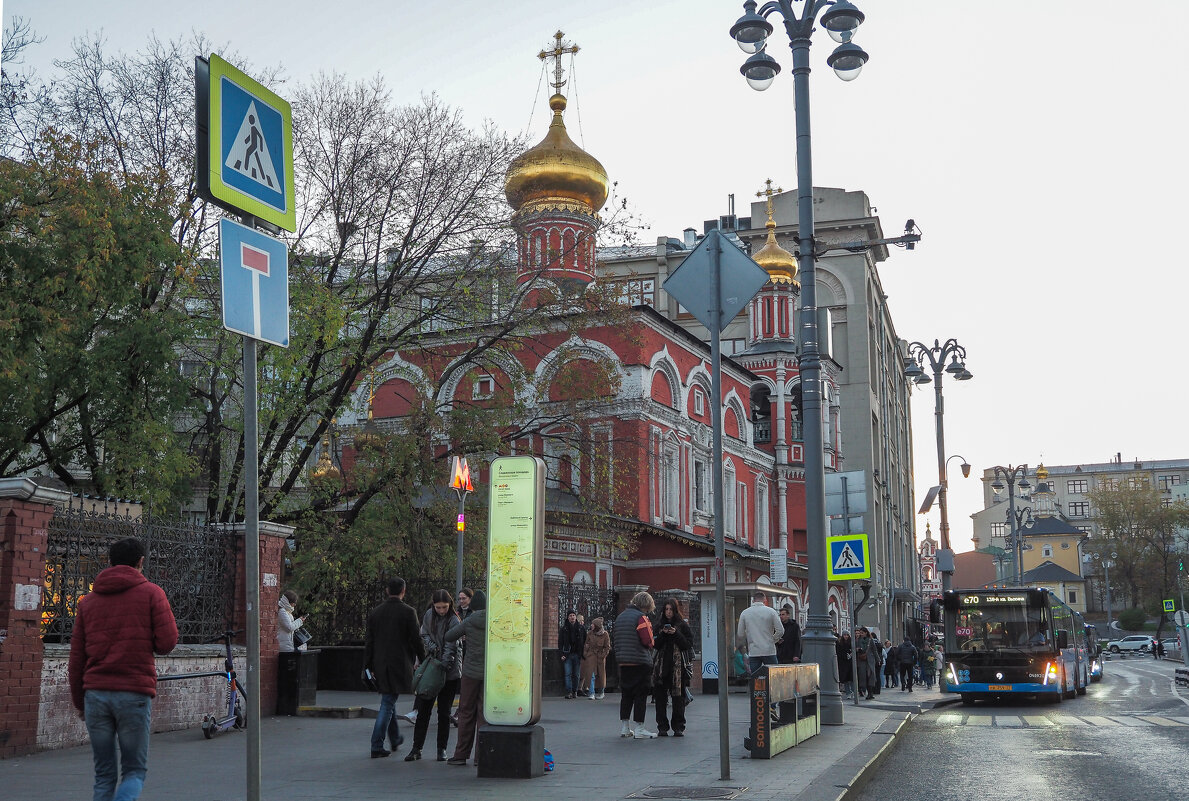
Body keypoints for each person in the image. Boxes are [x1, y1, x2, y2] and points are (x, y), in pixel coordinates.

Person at [68, 537, 178, 801]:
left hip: (95, 695)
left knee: (104, 774)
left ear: (109, 562)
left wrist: (80, 703)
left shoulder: (88, 602)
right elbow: (166, 643)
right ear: (141, 562)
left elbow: (76, 659)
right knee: (134, 771)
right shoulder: (152, 593)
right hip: (133, 693)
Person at [364, 577, 426, 758]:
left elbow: (369, 642)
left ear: (386, 590)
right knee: (388, 703)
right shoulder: (408, 612)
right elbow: (416, 639)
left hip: (380, 664)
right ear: (403, 591)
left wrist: (367, 665)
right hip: (400, 663)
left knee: (388, 700)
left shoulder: (376, 612)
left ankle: (395, 737)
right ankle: (376, 744)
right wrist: (423, 659)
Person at [405, 589, 461, 762]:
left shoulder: (454, 619)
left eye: (444, 607)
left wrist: (443, 664)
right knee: (424, 710)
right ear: (433, 605)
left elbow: (452, 645)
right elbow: (424, 634)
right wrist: (433, 647)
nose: (442, 611)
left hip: (449, 671)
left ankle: (441, 749)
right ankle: (416, 748)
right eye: (438, 607)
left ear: (450, 605)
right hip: (431, 668)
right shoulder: (429, 615)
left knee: (444, 712)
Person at [445, 590, 486, 766]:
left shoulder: (469, 620)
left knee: (466, 711)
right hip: (489, 672)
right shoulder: (495, 621)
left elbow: (449, 636)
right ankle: (481, 756)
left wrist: (465, 633)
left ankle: (461, 754)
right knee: (484, 713)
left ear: (473, 606)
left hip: (469, 672)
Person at [613, 591, 657, 738]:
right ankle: (640, 728)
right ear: (647, 605)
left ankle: (625, 727)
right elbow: (648, 641)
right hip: (640, 661)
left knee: (626, 694)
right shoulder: (641, 617)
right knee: (640, 695)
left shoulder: (620, 617)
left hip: (623, 661)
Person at [652, 597, 693, 737]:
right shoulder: (659, 625)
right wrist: (663, 634)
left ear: (675, 611)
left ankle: (678, 726)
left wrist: (676, 633)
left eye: (670, 609)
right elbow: (655, 644)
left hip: (678, 668)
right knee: (660, 698)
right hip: (661, 668)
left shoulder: (681, 625)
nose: (668, 612)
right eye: (666, 609)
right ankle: (662, 726)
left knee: (678, 698)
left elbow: (687, 644)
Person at [736, 591, 784, 676]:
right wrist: (772, 640)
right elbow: (780, 631)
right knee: (774, 676)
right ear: (764, 600)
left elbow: (740, 634)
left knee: (755, 678)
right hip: (769, 650)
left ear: (753, 600)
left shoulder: (745, 613)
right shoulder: (771, 612)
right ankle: (770, 689)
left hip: (754, 651)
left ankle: (756, 689)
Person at [581, 616, 611, 700]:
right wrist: (586, 653)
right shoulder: (590, 633)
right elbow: (586, 644)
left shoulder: (605, 634)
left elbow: (607, 647)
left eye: (593, 624)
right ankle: (591, 693)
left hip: (600, 657)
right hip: (591, 656)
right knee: (591, 674)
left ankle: (601, 691)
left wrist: (603, 655)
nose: (591, 625)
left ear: (597, 626)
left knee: (601, 675)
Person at [559, 609, 587, 698]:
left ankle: (575, 691)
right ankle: (569, 692)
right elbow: (560, 643)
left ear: (576, 617)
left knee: (576, 674)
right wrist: (561, 654)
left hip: (577, 654)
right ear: (568, 618)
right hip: (567, 654)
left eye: (573, 615)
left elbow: (585, 640)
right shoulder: (564, 629)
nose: (572, 617)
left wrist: (583, 653)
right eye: (570, 616)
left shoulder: (581, 628)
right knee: (568, 674)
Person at [854, 627, 878, 700]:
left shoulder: (870, 640)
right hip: (862, 661)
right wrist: (858, 650)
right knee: (864, 677)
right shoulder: (858, 641)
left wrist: (878, 659)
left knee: (870, 676)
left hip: (870, 661)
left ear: (866, 633)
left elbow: (874, 650)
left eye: (862, 633)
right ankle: (866, 692)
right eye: (860, 633)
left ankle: (870, 693)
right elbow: (854, 649)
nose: (861, 634)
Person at [836, 632, 853, 698]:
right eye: (844, 635)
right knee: (845, 679)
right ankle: (848, 692)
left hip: (850, 663)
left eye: (847, 635)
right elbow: (839, 653)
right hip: (843, 664)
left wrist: (850, 655)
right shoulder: (840, 644)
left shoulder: (851, 643)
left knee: (851, 679)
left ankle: (853, 691)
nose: (846, 636)